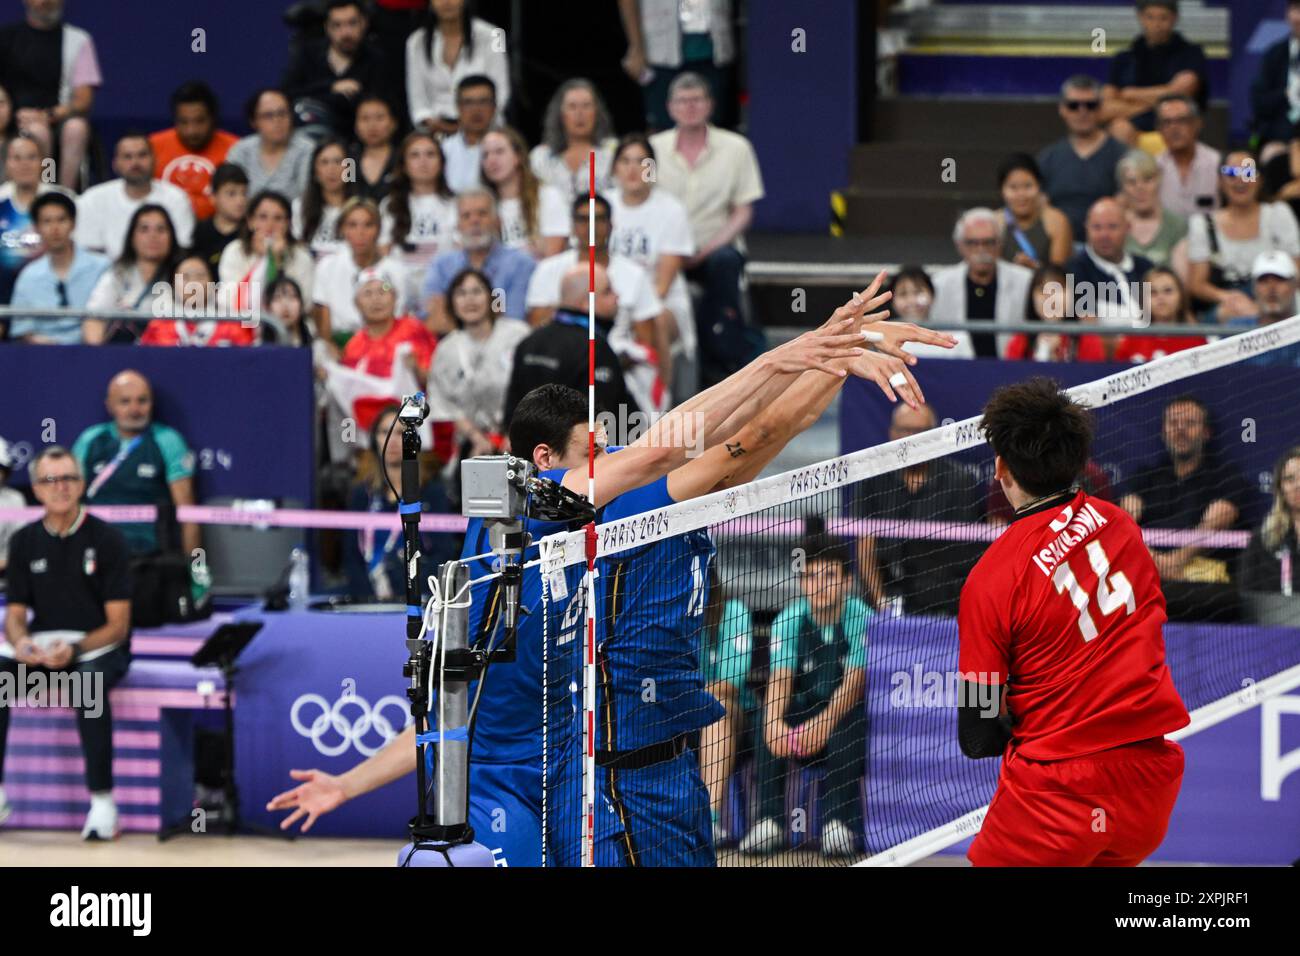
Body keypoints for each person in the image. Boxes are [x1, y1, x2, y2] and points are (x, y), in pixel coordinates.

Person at [265, 299, 930, 863]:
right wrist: (803, 351)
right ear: (546, 463)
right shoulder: (519, 512)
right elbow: (446, 720)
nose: (613, 460)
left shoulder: (606, 524)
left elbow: (749, 437)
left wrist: (837, 354)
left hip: (568, 769)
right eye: (596, 450)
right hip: (502, 791)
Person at [957, 376, 1189, 866]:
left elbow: (978, 734)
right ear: (1080, 460)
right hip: (1148, 788)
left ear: (1001, 467)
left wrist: (1014, 719)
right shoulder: (1121, 524)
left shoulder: (991, 578)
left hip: (1061, 794)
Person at [0, 445, 132, 840]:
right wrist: (22, 643)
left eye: (68, 479)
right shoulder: (24, 542)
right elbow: (17, 614)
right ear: (36, 490)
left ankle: (103, 804)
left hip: (98, 650)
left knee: (86, 684)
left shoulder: (107, 539)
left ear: (82, 484)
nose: (60, 488)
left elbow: (118, 626)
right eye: (50, 480)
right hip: (44, 650)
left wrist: (74, 651)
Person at [739, 540, 868, 858]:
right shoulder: (790, 618)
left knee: (852, 718)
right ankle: (769, 821)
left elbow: (854, 683)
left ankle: (838, 824)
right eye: (810, 577)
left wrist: (823, 723)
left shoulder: (860, 615)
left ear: (847, 581)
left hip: (841, 718)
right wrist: (773, 724)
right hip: (804, 718)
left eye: (829, 576)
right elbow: (780, 679)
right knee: (762, 720)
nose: (819, 585)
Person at [649, 72, 766, 388]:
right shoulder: (652, 149)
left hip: (714, 247)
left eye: (697, 100)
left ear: (710, 105)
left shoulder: (736, 147)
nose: (689, 107)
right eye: (682, 101)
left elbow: (743, 212)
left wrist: (705, 250)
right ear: (670, 107)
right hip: (664, 252)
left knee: (726, 261)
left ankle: (721, 358)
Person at [525, 193, 670, 410]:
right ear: (573, 226)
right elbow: (537, 327)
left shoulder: (634, 274)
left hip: (618, 366)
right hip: (558, 365)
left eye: (598, 219)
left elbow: (644, 342)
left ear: (611, 225)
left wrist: (607, 359)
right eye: (583, 220)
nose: (590, 226)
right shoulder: (548, 270)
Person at [1120, 394, 1254, 605]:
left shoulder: (1226, 476)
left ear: (1206, 432)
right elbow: (1124, 522)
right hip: (1146, 572)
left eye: (1190, 422)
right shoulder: (1144, 477)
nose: (1180, 430)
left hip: (1202, 583)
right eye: (1173, 423)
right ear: (1163, 432)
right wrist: (1156, 561)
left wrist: (1178, 560)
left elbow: (1221, 518)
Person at [852, 403, 983, 615]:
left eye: (921, 432)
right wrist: (881, 602)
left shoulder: (960, 480)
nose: (912, 439)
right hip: (887, 597)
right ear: (892, 433)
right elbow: (865, 546)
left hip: (944, 603)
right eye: (905, 431)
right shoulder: (871, 480)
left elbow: (966, 556)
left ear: (934, 436)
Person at [70, 370, 199, 559]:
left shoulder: (168, 440)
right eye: (125, 401)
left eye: (142, 400)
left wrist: (195, 572)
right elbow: (67, 501)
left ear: (152, 403)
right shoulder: (90, 439)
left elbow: (188, 513)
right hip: (94, 551)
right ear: (109, 406)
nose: (134, 409)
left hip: (149, 555)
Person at [609, 133, 700, 398]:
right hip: (609, 300)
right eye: (625, 161)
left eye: (641, 162)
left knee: (653, 319)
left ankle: (657, 404)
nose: (633, 169)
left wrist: (625, 312)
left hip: (661, 302)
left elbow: (661, 285)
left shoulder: (670, 209)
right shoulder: (603, 204)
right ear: (615, 167)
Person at [342, 404, 457, 601]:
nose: (392, 441)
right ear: (374, 440)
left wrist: (403, 590)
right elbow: (351, 558)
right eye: (384, 432)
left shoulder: (432, 493)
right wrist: (369, 596)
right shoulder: (362, 494)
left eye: (399, 433)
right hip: (366, 601)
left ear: (413, 441)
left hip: (418, 598)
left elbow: (444, 556)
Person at [504, 264, 642, 427]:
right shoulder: (595, 348)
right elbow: (601, 423)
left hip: (532, 448)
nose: (617, 297)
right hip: (587, 449)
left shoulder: (529, 342)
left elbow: (511, 416)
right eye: (607, 291)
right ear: (586, 302)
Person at [425, 267, 530, 458]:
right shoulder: (446, 349)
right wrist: (476, 437)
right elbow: (443, 402)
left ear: (491, 297)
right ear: (452, 303)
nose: (470, 300)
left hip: (521, 439)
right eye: (461, 293)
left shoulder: (518, 335)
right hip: (471, 445)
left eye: (477, 291)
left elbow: (534, 386)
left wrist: (516, 434)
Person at [1186, 148, 1300, 321]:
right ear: (1219, 181)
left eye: (1248, 172)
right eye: (1231, 173)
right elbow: (1197, 283)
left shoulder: (1278, 214)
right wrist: (1228, 298)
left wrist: (1267, 299)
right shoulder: (1203, 223)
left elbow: (1296, 269)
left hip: (1277, 300)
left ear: (1260, 179)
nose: (1240, 180)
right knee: (1228, 314)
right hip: (1227, 305)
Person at [0, 0, 99, 190]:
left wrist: (48, 115)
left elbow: (83, 100)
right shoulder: (5, 39)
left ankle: (63, 193)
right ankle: (45, 186)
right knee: (39, 131)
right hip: (16, 119)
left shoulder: (78, 40)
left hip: (58, 117)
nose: (45, 1)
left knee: (76, 128)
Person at [420, 188, 536, 334]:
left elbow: (511, 322)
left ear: (497, 221)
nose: (474, 221)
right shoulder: (442, 265)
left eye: (482, 213)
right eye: (466, 216)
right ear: (458, 225)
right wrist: (489, 315)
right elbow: (432, 321)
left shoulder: (520, 264)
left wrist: (454, 316)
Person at [1101, 0, 1208, 147]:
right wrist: (1156, 102)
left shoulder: (1191, 55)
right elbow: (1105, 110)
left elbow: (1182, 93)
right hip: (1132, 130)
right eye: (1150, 17)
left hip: (1177, 125)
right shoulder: (1123, 59)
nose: (1157, 24)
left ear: (1175, 18)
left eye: (1163, 17)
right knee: (1119, 128)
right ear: (1140, 17)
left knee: (1177, 124)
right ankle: (1130, 170)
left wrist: (1131, 94)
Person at [930, 207, 1034, 357]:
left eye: (989, 242)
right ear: (959, 245)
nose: (981, 249)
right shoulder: (939, 284)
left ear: (1000, 244)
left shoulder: (1026, 281)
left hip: (1012, 370)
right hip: (956, 370)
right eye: (973, 243)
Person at [618, 0, 736, 131]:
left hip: (716, 48)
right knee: (662, 127)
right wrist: (636, 47)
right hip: (660, 51)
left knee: (714, 126)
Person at [74, 132, 195, 260]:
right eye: (127, 157)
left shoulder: (176, 198)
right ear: (115, 164)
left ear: (155, 159)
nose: (135, 163)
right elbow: (87, 254)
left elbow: (182, 249)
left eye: (142, 155)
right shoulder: (92, 200)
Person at [1037, 75, 1130, 241]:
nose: (1082, 111)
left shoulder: (1122, 155)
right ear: (1062, 109)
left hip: (1107, 248)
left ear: (1101, 109)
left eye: (1090, 105)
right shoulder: (1047, 158)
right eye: (1073, 105)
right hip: (1059, 250)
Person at [7, 191, 108, 344]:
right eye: (47, 221)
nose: (55, 228)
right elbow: (22, 329)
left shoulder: (103, 267)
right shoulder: (28, 276)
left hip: (95, 351)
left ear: (73, 223)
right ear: (37, 228)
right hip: (42, 356)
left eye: (61, 220)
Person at [697, 567, 752, 847]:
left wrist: (688, 693)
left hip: (735, 719)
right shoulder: (675, 615)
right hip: (683, 716)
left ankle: (710, 820)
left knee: (717, 711)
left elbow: (732, 683)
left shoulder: (734, 612)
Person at [281, 0, 384, 140]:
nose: (345, 33)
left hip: (355, 143)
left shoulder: (376, 60)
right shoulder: (308, 54)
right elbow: (286, 94)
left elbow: (379, 106)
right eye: (337, 25)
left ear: (364, 23)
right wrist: (331, 87)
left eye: (352, 23)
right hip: (310, 138)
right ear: (327, 28)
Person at [406, 0, 510, 136]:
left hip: (486, 129)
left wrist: (471, 124)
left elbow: (502, 92)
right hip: (436, 132)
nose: (447, 2)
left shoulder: (496, 35)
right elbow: (418, 102)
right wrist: (434, 124)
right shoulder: (415, 42)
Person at [82, 204, 183, 345]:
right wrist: (101, 356)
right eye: (144, 229)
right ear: (132, 237)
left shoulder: (185, 274)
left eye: (161, 229)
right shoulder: (118, 274)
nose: (153, 236)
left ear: (171, 236)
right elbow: (94, 318)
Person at [379, 131, 458, 308]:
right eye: (415, 155)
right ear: (404, 165)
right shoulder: (389, 205)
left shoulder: (455, 204)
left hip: (444, 292)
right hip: (399, 294)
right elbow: (383, 253)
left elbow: (460, 255)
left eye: (430, 154)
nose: (423, 161)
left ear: (442, 162)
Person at [314, 197, 409, 342]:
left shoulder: (396, 270)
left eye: (368, 225)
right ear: (342, 229)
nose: (360, 232)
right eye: (352, 225)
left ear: (378, 229)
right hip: (339, 344)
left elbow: (399, 320)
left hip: (385, 343)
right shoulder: (327, 267)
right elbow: (323, 328)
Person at [149, 81, 239, 221]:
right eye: (184, 122)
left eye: (199, 121)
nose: (191, 131)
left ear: (213, 119)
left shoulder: (236, 149)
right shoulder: (152, 147)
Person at [217, 190, 315, 318]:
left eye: (278, 218)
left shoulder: (301, 256)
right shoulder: (234, 250)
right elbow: (228, 299)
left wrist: (277, 262)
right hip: (243, 325)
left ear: (288, 223)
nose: (270, 225)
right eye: (263, 217)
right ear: (250, 221)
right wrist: (263, 261)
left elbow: (305, 303)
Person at [0, 133, 71, 305]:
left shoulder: (63, 200)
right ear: (6, 164)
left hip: (50, 291)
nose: (24, 164)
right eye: (17, 158)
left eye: (31, 157)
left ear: (43, 162)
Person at [1064, 197, 1154, 329]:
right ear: (1086, 229)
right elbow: (1090, 331)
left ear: (1127, 228)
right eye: (1096, 227)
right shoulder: (1074, 270)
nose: (1104, 235)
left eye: (1112, 227)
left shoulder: (1146, 267)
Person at [529, 79, 619, 205]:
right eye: (572, 107)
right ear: (560, 115)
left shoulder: (614, 152)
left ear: (597, 112)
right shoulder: (540, 157)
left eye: (586, 106)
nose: (579, 114)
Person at [482, 126, 568, 258]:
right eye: (485, 155)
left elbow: (553, 255)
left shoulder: (548, 196)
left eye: (499, 152)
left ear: (518, 156)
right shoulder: (482, 206)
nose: (491, 160)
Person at [339, 265, 436, 379]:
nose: (376, 299)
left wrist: (416, 371)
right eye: (367, 293)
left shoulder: (414, 329)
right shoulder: (354, 346)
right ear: (357, 304)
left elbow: (434, 385)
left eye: (382, 291)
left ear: (395, 297)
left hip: (413, 396)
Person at [140, 254, 258, 348]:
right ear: (173, 284)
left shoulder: (232, 325)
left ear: (213, 283)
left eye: (200, 276)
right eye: (185, 277)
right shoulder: (158, 326)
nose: (194, 283)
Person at [226, 89, 315, 202]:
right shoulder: (241, 151)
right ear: (254, 121)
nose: (277, 120)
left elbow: (308, 201)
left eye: (282, 113)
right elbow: (230, 198)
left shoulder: (307, 149)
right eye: (268, 115)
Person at [1005, 263, 1107, 362]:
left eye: (1058, 289)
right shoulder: (1020, 340)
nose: (1050, 297)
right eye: (1042, 290)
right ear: (1031, 297)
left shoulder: (1087, 339)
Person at [1220, 251, 1300, 369]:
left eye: (1279, 279)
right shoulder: (1234, 330)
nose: (1271, 288)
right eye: (1263, 280)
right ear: (1254, 287)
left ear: (1294, 285)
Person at [1238, 446, 1300, 595]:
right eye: (1290, 479)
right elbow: (1248, 595)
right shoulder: (1262, 539)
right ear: (1280, 488)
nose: (1298, 485)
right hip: (1273, 617)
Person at [1117, 148, 1189, 274]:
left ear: (1159, 181)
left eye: (1147, 180)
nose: (1140, 188)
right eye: (1132, 182)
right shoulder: (1114, 225)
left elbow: (1182, 284)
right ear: (1123, 187)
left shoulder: (1178, 226)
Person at [1113, 265, 1206, 363]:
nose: (1160, 297)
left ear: (1181, 296)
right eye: (1153, 292)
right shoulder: (1131, 340)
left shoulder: (1196, 340)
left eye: (1168, 291)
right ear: (1142, 300)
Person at [997, 153, 1072, 269]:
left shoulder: (1056, 221)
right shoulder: (995, 222)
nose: (1021, 195)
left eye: (1028, 186)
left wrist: (1035, 268)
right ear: (1002, 191)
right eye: (1013, 187)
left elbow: (1059, 276)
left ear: (1039, 186)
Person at [1152, 95, 1220, 219]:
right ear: (1159, 130)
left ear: (1197, 124)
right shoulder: (1152, 168)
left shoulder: (1218, 162)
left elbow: (1251, 175)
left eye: (1181, 121)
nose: (1174, 128)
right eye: (1167, 122)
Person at [1250, 0, 1300, 166]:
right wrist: (1286, 93)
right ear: (1287, 14)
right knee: (1270, 155)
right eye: (1296, 9)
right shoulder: (1274, 54)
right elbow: (1259, 103)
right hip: (1280, 136)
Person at [292, 138, 355, 258]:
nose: (331, 169)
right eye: (324, 162)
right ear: (315, 172)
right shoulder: (299, 207)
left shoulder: (361, 208)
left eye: (338, 162)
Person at [441, 74, 496, 193]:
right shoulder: (444, 150)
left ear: (494, 107)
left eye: (483, 101)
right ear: (458, 107)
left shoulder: (507, 150)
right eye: (468, 102)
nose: (476, 109)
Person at [189, 163, 248, 273]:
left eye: (244, 193)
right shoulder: (201, 231)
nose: (240, 201)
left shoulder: (250, 231)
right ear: (213, 197)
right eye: (231, 193)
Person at [349, 95, 399, 203]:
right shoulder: (349, 160)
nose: (372, 125)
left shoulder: (402, 159)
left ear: (393, 123)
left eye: (380, 118)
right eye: (365, 118)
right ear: (356, 126)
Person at [259, 275, 315, 349]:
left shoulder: (315, 349)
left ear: (301, 305)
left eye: (292, 297)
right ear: (267, 307)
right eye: (277, 298)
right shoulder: (258, 348)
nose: (285, 305)